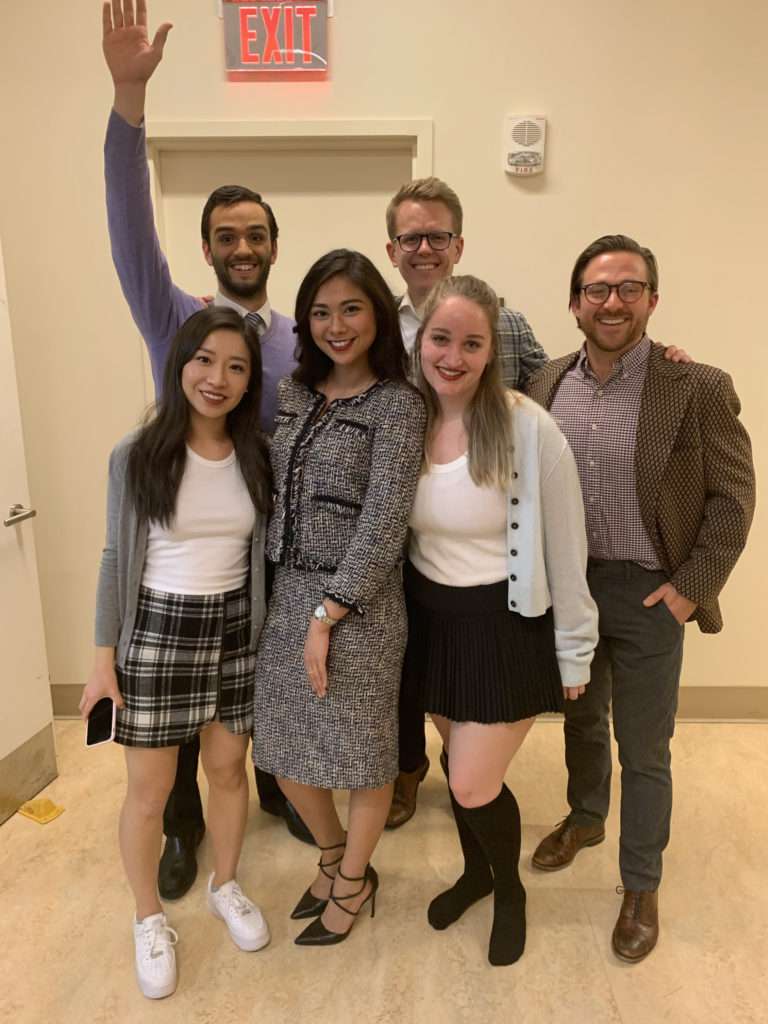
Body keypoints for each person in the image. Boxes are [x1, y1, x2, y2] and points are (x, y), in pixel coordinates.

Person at [101, 0, 311, 902]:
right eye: (226, 236)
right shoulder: (176, 321)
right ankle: (181, 831)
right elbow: (127, 227)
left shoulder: (303, 339)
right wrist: (128, 100)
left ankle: (272, 787)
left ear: (274, 246)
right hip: (182, 540)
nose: (242, 248)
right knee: (173, 720)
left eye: (255, 235)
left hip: (266, 547)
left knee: (250, 689)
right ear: (207, 248)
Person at [526, 234, 755, 963]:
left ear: (653, 300)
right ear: (574, 303)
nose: (613, 301)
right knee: (580, 718)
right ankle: (586, 816)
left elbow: (734, 497)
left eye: (629, 287)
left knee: (645, 746)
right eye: (597, 289)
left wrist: (690, 590)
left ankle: (640, 884)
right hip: (569, 586)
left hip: (651, 592)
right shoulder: (544, 383)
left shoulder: (696, 386)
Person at [401, 275, 597, 965]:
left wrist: (575, 652)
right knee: (457, 762)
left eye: (472, 344)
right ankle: (476, 873)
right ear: (421, 341)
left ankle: (508, 890)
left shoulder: (527, 427)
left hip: (504, 628)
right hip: (433, 625)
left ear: (492, 351)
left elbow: (567, 550)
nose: (453, 357)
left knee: (470, 781)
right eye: (441, 339)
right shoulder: (406, 420)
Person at [79, 307, 272, 998]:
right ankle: (148, 918)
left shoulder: (258, 455)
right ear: (179, 364)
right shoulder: (136, 455)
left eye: (236, 366)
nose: (217, 378)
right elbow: (114, 558)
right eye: (204, 360)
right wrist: (103, 662)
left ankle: (226, 885)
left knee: (227, 773)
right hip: (159, 630)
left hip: (237, 628)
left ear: (250, 381)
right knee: (150, 792)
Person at [251, 249, 426, 945]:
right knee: (283, 747)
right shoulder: (296, 393)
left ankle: (353, 878)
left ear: (377, 313)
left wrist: (330, 613)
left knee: (362, 754)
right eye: (321, 312)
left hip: (361, 604)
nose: (337, 325)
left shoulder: (399, 404)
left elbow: (385, 521)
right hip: (287, 591)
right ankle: (331, 855)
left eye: (351, 308)